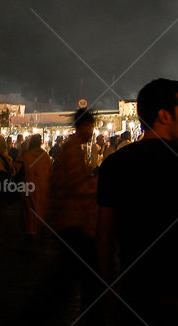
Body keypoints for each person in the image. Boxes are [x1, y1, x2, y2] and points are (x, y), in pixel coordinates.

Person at [97, 79, 178, 325]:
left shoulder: (114, 164)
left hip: (135, 293)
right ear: (164, 115)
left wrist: (105, 293)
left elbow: (103, 237)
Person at [50, 109, 101, 320]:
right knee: (84, 277)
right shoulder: (72, 149)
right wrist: (98, 185)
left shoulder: (74, 148)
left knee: (67, 279)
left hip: (73, 220)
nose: (92, 132)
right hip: (73, 221)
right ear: (84, 126)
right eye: (91, 127)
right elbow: (77, 184)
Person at [17, 134, 51, 240]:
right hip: (43, 187)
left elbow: (18, 170)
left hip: (29, 187)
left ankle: (30, 232)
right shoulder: (45, 156)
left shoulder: (25, 155)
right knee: (41, 209)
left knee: (29, 210)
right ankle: (41, 230)